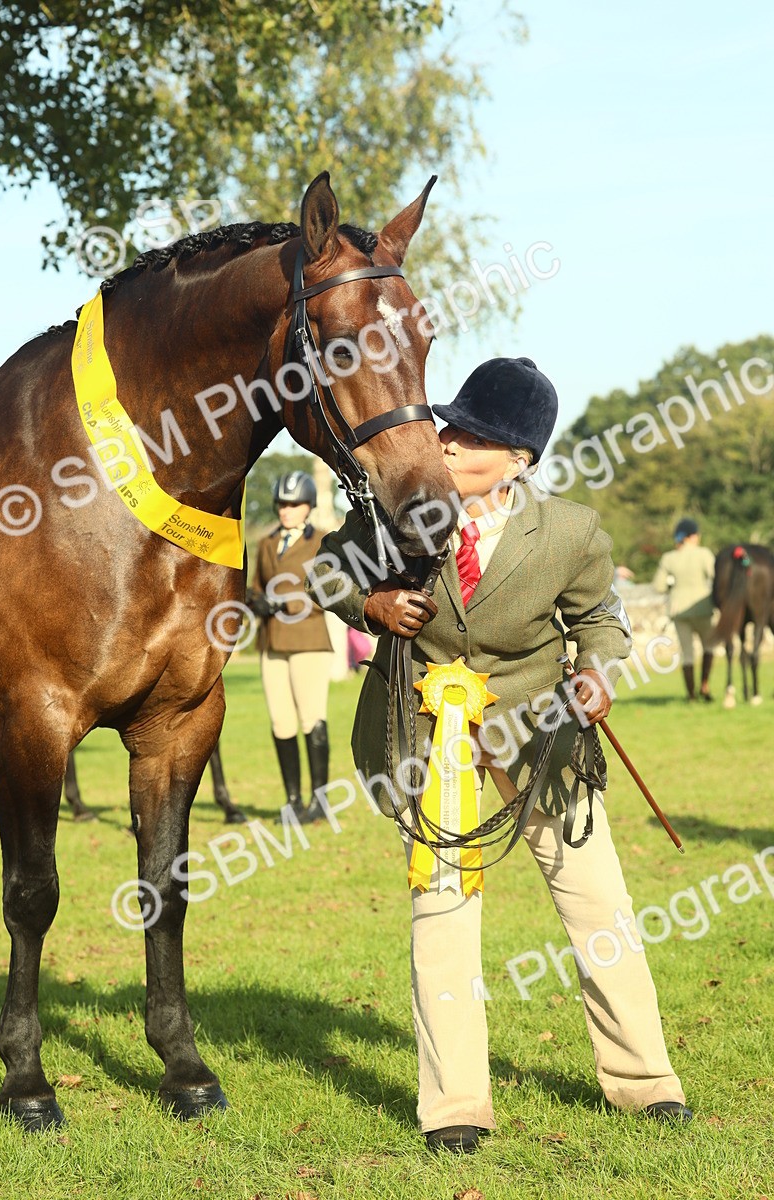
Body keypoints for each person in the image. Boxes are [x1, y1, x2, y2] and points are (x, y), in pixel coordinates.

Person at [306, 358, 691, 1152]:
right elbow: (324, 569)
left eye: (473, 437)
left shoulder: (573, 532)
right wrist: (370, 602)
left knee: (599, 907)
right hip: (427, 733)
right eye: (449, 426)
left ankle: (646, 1081)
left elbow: (601, 622)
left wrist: (598, 674)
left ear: (521, 459)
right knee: (441, 911)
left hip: (544, 732)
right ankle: (455, 1106)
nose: (447, 444)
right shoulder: (393, 508)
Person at [247, 470, 333, 823]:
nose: (286, 510)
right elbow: (255, 586)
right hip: (272, 641)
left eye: (294, 504)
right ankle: (293, 799)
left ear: (308, 507)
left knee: (312, 717)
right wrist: (257, 601)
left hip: (309, 640)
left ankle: (320, 801)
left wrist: (288, 604)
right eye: (282, 503)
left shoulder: (323, 541)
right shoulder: (267, 543)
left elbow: (330, 590)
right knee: (281, 722)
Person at [653, 518, 715, 701]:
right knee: (709, 648)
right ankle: (705, 685)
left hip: (679, 610)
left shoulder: (668, 558)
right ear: (692, 536)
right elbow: (715, 576)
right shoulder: (704, 554)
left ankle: (691, 695)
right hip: (703, 608)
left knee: (687, 654)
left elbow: (659, 586)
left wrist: (673, 586)